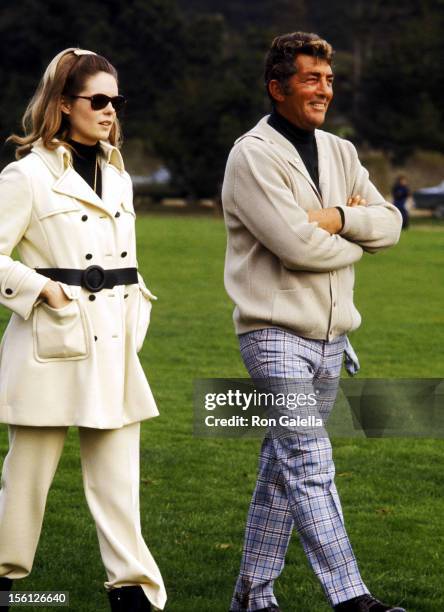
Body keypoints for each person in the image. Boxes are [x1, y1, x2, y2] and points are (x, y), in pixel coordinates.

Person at [222, 32, 405, 612]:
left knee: (281, 468)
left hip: (332, 338)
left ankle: (253, 597)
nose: (324, 88)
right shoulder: (251, 154)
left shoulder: (342, 152)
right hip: (272, 334)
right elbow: (296, 249)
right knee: (308, 458)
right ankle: (352, 598)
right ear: (277, 87)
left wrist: (336, 217)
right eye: (310, 79)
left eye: (327, 79)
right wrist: (356, 238)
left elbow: (392, 222)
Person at [0, 48, 166, 612]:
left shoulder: (119, 176)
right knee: (27, 475)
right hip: (54, 339)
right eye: (98, 100)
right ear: (64, 104)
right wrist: (40, 289)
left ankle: (132, 591)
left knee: (120, 474)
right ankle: (5, 578)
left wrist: (135, 310)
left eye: (116, 101)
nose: (110, 110)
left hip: (115, 341)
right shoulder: (25, 175)